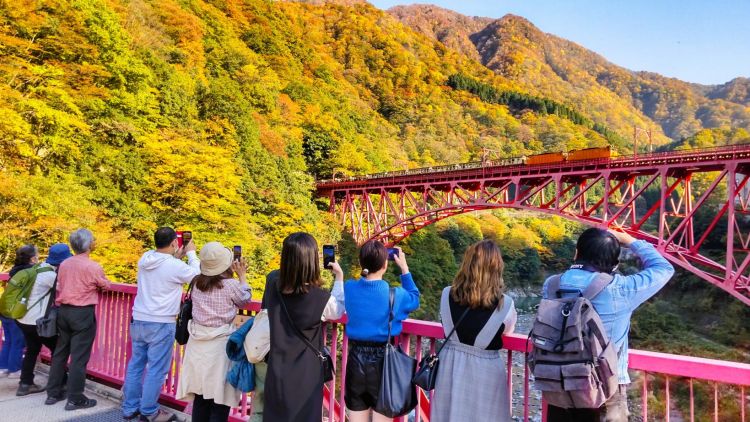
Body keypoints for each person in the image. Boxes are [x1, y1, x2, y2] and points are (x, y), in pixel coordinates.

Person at [543, 228, 674, 422]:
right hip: (605, 387)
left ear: (576, 253)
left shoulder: (552, 285)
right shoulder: (621, 289)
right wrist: (631, 241)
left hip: (558, 381)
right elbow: (664, 269)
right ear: (615, 264)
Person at [261, 232, 345, 422]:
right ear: (312, 261)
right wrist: (339, 277)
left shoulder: (273, 287)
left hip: (276, 368)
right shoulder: (320, 299)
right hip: (306, 374)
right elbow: (338, 311)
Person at [430, 240, 517, 422]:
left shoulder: (447, 294)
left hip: (450, 365)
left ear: (467, 263)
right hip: (486, 370)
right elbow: (508, 330)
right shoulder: (505, 304)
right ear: (497, 267)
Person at [122, 228, 200, 422]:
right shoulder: (175, 266)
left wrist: (177, 255)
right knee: (156, 369)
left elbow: (165, 265)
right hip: (161, 323)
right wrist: (191, 253)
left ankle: (130, 408)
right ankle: (149, 411)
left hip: (139, 318)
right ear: (174, 242)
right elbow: (198, 278)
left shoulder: (145, 258)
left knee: (136, 365)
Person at [343, 241, 420, 422]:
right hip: (383, 361)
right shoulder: (396, 295)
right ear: (385, 265)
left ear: (362, 263)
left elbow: (362, 279)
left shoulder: (349, 288)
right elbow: (415, 298)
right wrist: (404, 269)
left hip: (355, 358)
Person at [176, 241, 252, 422]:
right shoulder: (230, 285)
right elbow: (245, 299)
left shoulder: (196, 283)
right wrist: (242, 276)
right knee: (220, 398)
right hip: (220, 346)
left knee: (201, 397)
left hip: (197, 344)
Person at [46, 229, 112, 410]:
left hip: (63, 311)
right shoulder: (93, 266)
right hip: (82, 314)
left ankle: (53, 393)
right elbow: (105, 285)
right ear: (89, 245)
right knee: (78, 358)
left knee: (60, 352)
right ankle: (75, 398)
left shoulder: (64, 264)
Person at [15, 243, 73, 396]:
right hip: (35, 322)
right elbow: (67, 290)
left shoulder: (38, 268)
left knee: (32, 349)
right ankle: (62, 384)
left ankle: (25, 384)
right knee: (58, 350)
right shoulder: (50, 276)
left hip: (23, 319)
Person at [0, 245, 37, 379]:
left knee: (8, 340)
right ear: (32, 258)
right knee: (17, 341)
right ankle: (14, 370)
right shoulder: (31, 272)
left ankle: (3, 367)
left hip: (5, 309)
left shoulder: (14, 270)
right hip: (16, 310)